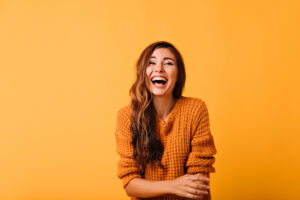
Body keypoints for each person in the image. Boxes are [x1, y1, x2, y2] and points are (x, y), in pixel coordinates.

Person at [115, 41, 217, 200]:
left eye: (168, 63)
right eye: (151, 62)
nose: (159, 68)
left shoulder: (196, 109)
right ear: (143, 72)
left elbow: (198, 182)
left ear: (178, 75)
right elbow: (130, 183)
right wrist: (172, 185)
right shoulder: (126, 116)